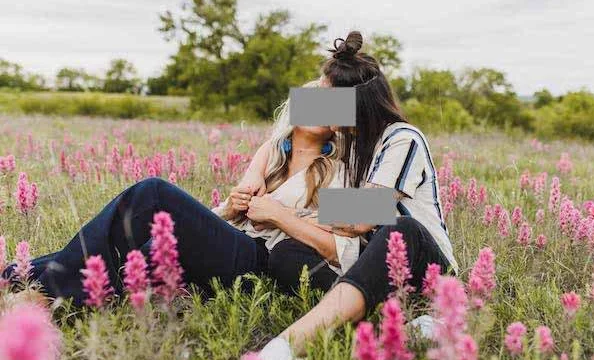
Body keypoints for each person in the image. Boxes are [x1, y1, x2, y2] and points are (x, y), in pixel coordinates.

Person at [219, 31, 458, 360]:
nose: (316, 104)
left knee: (400, 229)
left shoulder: (402, 138)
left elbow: (362, 217)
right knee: (286, 254)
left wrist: (281, 213)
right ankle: (374, 322)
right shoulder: (354, 145)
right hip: (374, 261)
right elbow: (291, 133)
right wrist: (259, 184)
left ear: (354, 104)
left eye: (325, 97)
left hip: (423, 263)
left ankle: (280, 353)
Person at [2, 82, 361, 305]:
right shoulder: (271, 151)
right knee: (138, 256)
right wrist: (234, 205)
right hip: (233, 242)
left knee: (153, 193)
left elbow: (339, 249)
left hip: (263, 263)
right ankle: (13, 278)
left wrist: (277, 214)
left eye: (333, 102)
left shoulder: (342, 168)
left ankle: (43, 291)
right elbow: (232, 213)